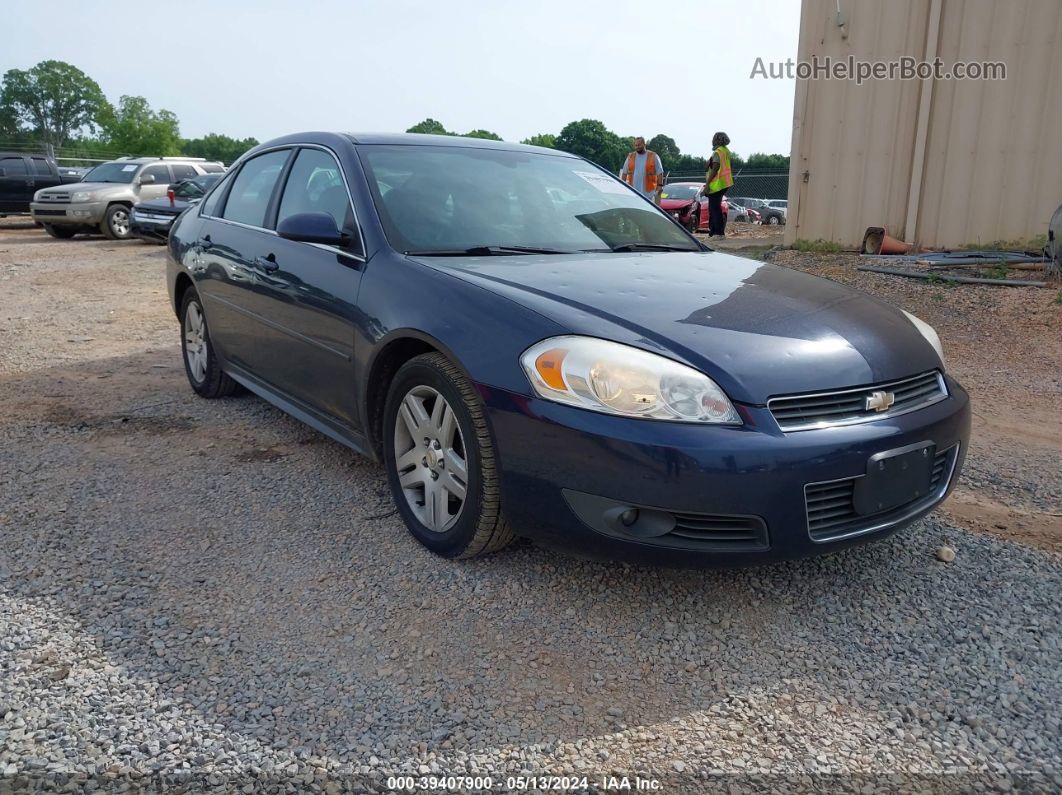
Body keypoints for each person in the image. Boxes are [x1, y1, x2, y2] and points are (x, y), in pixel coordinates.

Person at [703, 131, 734, 237]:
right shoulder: (725, 151)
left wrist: (707, 184)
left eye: (713, 138)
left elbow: (715, 168)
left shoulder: (718, 152)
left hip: (717, 184)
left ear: (717, 140)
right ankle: (713, 233)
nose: (711, 140)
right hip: (725, 183)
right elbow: (711, 165)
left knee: (714, 210)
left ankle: (718, 234)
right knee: (715, 209)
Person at [619, 137, 664, 204]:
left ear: (644, 144)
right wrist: (622, 186)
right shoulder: (630, 156)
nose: (637, 147)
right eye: (636, 145)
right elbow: (624, 173)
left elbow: (660, 172)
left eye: (639, 145)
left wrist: (660, 186)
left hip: (649, 193)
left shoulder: (653, 156)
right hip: (633, 191)